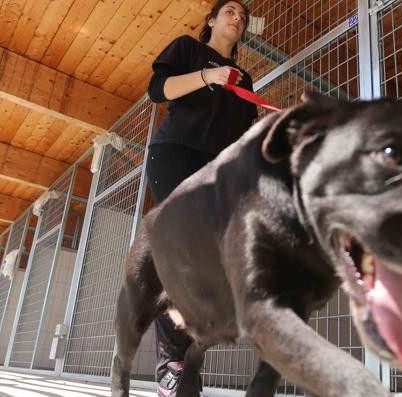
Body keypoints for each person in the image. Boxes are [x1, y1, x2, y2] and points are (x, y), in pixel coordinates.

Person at [143, 1, 257, 396]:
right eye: (230, 12)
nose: (237, 19)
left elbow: (242, 138)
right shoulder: (188, 49)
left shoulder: (246, 78)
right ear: (211, 20)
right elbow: (158, 91)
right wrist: (209, 76)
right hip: (175, 151)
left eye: (242, 16)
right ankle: (172, 367)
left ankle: (187, 364)